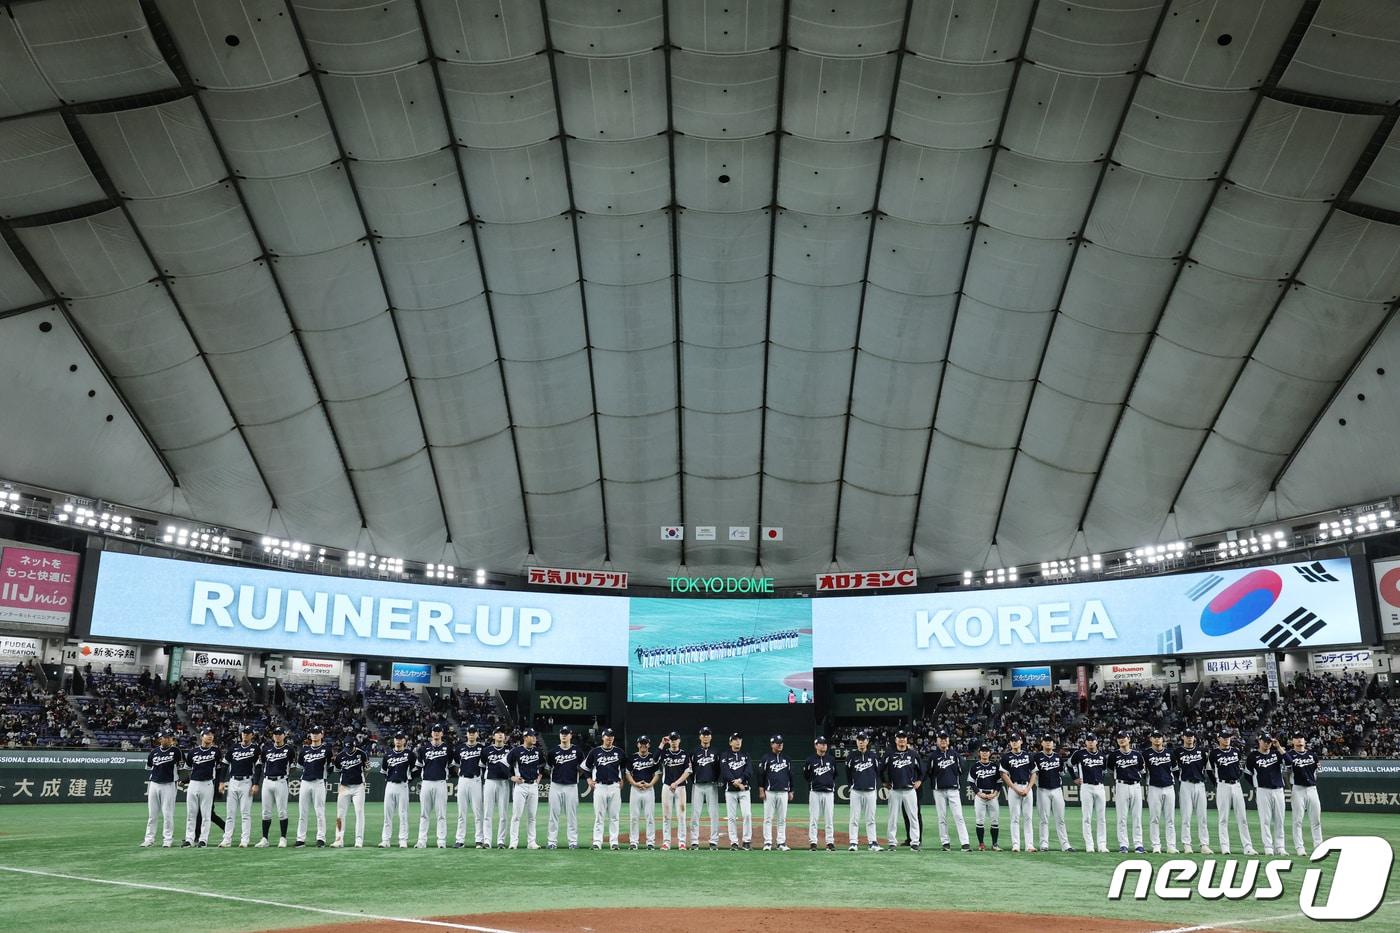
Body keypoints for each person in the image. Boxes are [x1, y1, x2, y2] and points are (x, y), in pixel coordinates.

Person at [1209, 729, 1256, 856]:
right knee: (1223, 818)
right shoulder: (1214, 753)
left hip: (1236, 785)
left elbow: (1239, 767)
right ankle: (1225, 847)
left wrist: (1237, 776)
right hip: (1223, 785)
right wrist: (1216, 783)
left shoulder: (1236, 751)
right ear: (1219, 738)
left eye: (1228, 737)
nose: (1226, 739)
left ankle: (1248, 847)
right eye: (1224, 737)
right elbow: (1209, 770)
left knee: (1242, 818)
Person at [882, 729, 923, 851]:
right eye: (899, 737)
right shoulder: (889, 754)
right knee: (893, 817)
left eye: (903, 737)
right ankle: (892, 842)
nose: (901, 739)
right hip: (895, 790)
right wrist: (884, 781)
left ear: (906, 740)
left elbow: (922, 770)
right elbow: (880, 769)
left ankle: (915, 842)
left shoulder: (913, 754)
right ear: (895, 740)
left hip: (910, 790)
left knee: (913, 816)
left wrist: (919, 780)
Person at [584, 727, 624, 849]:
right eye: (607, 738)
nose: (610, 740)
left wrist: (622, 779)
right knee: (599, 816)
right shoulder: (595, 752)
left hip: (614, 786)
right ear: (603, 738)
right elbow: (585, 767)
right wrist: (589, 780)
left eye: (611, 738)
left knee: (614, 816)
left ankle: (614, 842)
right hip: (600, 786)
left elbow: (624, 768)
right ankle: (597, 842)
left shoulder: (619, 752)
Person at [219, 724, 260, 848]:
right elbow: (225, 765)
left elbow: (258, 767)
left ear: (252, 735)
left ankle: (245, 840)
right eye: (243, 733)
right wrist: (221, 782)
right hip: (233, 782)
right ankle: (227, 839)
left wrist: (256, 783)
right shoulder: (234, 748)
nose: (245, 735)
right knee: (230, 813)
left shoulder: (255, 749)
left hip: (246, 782)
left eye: (247, 733)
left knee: (245, 813)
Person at [1247, 733, 1287, 856]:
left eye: (1269, 741)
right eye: (1265, 741)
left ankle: (1280, 847)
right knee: (1265, 820)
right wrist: (1256, 785)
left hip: (1278, 790)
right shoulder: (1253, 756)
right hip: (1263, 790)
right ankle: (1268, 847)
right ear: (1259, 741)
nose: (1267, 743)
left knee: (1279, 820)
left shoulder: (1276, 754)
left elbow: (1289, 762)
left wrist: (1279, 747)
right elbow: (1247, 773)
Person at [1031, 735, 1072, 852]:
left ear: (1053, 744)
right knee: (1044, 819)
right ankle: (1044, 844)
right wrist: (1037, 785)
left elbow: (1061, 773)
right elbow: (1034, 774)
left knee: (1060, 819)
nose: (1048, 743)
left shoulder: (1057, 757)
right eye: (1046, 741)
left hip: (1057, 790)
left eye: (1050, 741)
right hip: (1043, 790)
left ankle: (1065, 845)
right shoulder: (1037, 757)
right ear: (1042, 743)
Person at [141, 729, 181, 848]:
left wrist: (181, 779)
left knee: (168, 814)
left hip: (169, 784)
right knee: (152, 814)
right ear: (160, 739)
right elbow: (148, 767)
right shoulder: (154, 752)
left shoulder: (176, 751)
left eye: (170, 737)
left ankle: (168, 839)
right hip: (154, 784)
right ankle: (149, 839)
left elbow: (182, 767)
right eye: (166, 737)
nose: (168, 739)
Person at [415, 723, 452, 849]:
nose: (436, 733)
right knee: (424, 814)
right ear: (431, 733)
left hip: (441, 782)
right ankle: (421, 841)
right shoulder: (423, 749)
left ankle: (441, 841)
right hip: (426, 782)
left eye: (438, 731)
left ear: (442, 733)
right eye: (434, 731)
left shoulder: (447, 748)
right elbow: (418, 766)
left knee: (441, 814)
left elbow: (452, 767)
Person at [1107, 731, 1145, 854]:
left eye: (1124, 737)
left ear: (1129, 739)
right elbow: (1110, 771)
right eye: (1119, 738)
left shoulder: (1137, 755)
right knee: (1122, 817)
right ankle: (1123, 845)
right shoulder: (1113, 755)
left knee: (1137, 817)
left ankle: (1138, 844)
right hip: (1121, 785)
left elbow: (1142, 771)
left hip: (1135, 786)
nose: (1122, 740)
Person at [1286, 732, 1323, 856]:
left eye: (1301, 738)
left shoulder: (1312, 755)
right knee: (1297, 820)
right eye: (1296, 738)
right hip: (1298, 789)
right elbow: (1287, 772)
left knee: (1316, 820)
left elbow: (1318, 771)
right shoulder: (1289, 755)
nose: (1299, 740)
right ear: (1293, 741)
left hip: (1312, 789)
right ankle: (1299, 848)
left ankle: (1319, 846)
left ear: (1304, 741)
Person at [255, 725, 292, 847]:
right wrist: (256, 782)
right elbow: (260, 765)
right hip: (267, 781)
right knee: (265, 812)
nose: (277, 736)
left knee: (282, 811)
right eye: (275, 734)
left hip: (281, 781)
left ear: (284, 735)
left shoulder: (289, 749)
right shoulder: (267, 749)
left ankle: (283, 838)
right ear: (273, 736)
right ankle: (264, 839)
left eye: (280, 734)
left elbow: (292, 766)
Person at [547, 725, 583, 849]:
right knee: (553, 815)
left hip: (571, 786)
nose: (564, 735)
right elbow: (548, 768)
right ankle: (552, 842)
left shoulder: (577, 751)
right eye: (562, 733)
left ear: (570, 735)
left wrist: (577, 774)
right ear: (559, 735)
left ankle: (572, 841)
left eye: (566, 733)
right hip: (556, 785)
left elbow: (583, 767)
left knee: (571, 816)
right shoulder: (553, 752)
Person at [182, 728, 220, 847]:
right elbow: (187, 768)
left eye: (211, 734)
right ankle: (189, 839)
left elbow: (219, 768)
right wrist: (188, 779)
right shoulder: (193, 752)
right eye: (207, 734)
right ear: (201, 737)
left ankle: (203, 840)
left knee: (206, 814)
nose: (210, 736)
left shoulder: (216, 751)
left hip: (208, 783)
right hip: (193, 783)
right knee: (191, 813)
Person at [1070, 734, 1108, 853]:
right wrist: (1074, 777)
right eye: (1089, 740)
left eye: (1093, 740)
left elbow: (1104, 770)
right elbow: (1069, 764)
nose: (1091, 742)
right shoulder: (1079, 754)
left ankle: (1102, 845)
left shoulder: (1102, 755)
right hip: (1086, 786)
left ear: (1097, 742)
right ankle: (1089, 845)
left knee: (1101, 818)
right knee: (1087, 817)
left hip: (1100, 787)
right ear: (1085, 742)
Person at [507, 728, 544, 849]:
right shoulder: (516, 751)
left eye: (534, 736)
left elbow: (542, 765)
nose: (534, 738)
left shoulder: (538, 751)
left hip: (533, 785)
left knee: (532, 816)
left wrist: (539, 776)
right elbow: (504, 765)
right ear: (525, 737)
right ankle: (513, 842)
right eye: (531, 736)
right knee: (516, 816)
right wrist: (511, 777)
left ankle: (531, 842)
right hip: (520, 785)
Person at [1176, 729, 1211, 854]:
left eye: (1191, 736)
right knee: (1186, 816)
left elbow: (1207, 768)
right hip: (1186, 784)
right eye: (1187, 736)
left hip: (1200, 785)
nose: (1189, 738)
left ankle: (1204, 845)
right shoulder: (1178, 752)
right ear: (1183, 737)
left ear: (1194, 738)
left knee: (1203, 817)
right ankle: (1187, 844)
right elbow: (1175, 769)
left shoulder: (1202, 751)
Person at [999, 733, 1035, 853]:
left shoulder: (1028, 755)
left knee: (1028, 817)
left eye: (1016, 740)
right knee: (1014, 817)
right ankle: (1016, 845)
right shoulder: (1006, 757)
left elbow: (1034, 773)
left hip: (1026, 787)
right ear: (1010, 743)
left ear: (1021, 742)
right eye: (1012, 740)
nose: (1014, 742)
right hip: (1014, 788)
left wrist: (1028, 788)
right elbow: (1003, 774)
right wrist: (1015, 788)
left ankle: (1029, 845)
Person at [1144, 730, 1178, 854]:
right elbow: (1143, 772)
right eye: (1155, 737)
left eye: (1159, 737)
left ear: (1163, 739)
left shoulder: (1170, 753)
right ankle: (1156, 846)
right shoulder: (1146, 754)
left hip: (1169, 787)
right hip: (1154, 788)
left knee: (1170, 819)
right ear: (1151, 739)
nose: (1157, 739)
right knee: (1154, 818)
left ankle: (1171, 846)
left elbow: (1175, 769)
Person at [688, 726, 722, 850]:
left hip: (711, 786)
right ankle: (694, 841)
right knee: (695, 814)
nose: (706, 736)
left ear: (711, 736)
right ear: (700, 736)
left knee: (714, 814)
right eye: (704, 734)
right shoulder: (694, 752)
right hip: (697, 786)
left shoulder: (716, 752)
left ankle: (713, 841)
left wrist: (716, 781)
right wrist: (695, 781)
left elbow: (719, 769)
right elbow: (690, 770)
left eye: (708, 734)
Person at [757, 734, 793, 851]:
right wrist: (761, 789)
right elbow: (761, 775)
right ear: (772, 744)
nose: (780, 744)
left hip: (783, 792)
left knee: (782, 819)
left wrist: (791, 790)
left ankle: (781, 842)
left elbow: (790, 775)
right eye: (777, 743)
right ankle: (767, 842)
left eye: (781, 743)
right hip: (770, 791)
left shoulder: (787, 759)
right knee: (768, 818)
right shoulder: (766, 758)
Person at [295, 725, 329, 848]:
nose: (315, 735)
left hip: (319, 782)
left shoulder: (326, 750)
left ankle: (321, 838)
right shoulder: (304, 750)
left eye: (317, 733)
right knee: (302, 812)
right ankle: (300, 839)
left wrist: (324, 777)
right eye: (313, 733)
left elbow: (330, 767)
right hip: (305, 782)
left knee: (320, 812)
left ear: (322, 734)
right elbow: (300, 767)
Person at [846, 730, 881, 851]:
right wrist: (851, 785)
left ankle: (873, 842)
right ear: (856, 742)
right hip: (856, 791)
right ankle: (853, 842)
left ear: (867, 742)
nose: (861, 742)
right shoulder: (851, 756)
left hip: (871, 791)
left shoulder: (873, 756)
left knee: (871, 818)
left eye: (863, 740)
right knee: (854, 818)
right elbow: (848, 772)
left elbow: (878, 772)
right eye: (859, 740)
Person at [331, 738, 368, 847]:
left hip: (358, 787)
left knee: (359, 813)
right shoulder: (340, 756)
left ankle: (359, 840)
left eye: (350, 747)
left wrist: (363, 779)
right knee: (340, 814)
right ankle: (339, 839)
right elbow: (338, 770)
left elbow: (367, 768)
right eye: (346, 747)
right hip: (344, 787)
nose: (348, 750)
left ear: (354, 745)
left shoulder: (361, 754)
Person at [453, 724, 485, 848]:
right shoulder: (460, 748)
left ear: (477, 734)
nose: (471, 734)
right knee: (462, 812)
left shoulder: (482, 749)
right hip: (463, 780)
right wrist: (460, 774)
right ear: (466, 734)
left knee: (478, 812)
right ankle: (460, 840)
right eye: (470, 732)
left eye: (474, 732)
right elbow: (455, 764)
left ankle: (479, 840)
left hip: (476, 780)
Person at [719, 731, 753, 850]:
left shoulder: (746, 755)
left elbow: (749, 771)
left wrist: (740, 780)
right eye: (735, 739)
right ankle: (734, 842)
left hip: (744, 790)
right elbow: (725, 771)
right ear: (730, 742)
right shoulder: (725, 755)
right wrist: (737, 783)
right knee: (731, 817)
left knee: (747, 815)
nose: (738, 741)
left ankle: (747, 840)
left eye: (739, 739)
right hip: (730, 791)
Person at [626, 735, 660, 850]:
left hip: (649, 789)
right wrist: (634, 783)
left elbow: (657, 774)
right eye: (641, 743)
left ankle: (650, 842)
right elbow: (628, 773)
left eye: (645, 743)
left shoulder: (653, 758)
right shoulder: (632, 757)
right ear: (638, 744)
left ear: (649, 745)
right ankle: (633, 842)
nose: (643, 745)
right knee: (634, 817)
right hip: (635, 790)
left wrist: (650, 784)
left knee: (649, 817)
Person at [379, 731, 413, 848]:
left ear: (404, 741)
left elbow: (415, 770)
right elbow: (383, 772)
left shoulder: (410, 754)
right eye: (396, 739)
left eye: (400, 739)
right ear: (394, 741)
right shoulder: (388, 755)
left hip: (403, 785)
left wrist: (408, 779)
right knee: (387, 814)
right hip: (390, 785)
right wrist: (389, 780)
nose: (398, 741)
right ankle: (385, 840)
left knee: (403, 814)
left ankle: (403, 839)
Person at [804, 735, 838, 851]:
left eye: (825, 743)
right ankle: (813, 842)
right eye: (821, 743)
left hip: (829, 792)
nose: (824, 745)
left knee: (829, 818)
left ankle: (830, 842)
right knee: (814, 818)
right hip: (815, 792)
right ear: (816, 745)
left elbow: (834, 774)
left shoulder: (831, 759)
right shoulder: (810, 760)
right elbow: (807, 776)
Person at [659, 731, 691, 850]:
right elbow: (655, 759)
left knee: (681, 815)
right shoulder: (665, 753)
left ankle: (681, 842)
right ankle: (666, 842)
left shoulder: (684, 754)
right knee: (666, 815)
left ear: (679, 740)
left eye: (675, 739)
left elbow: (688, 771)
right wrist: (662, 744)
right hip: (667, 787)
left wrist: (676, 783)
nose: (673, 741)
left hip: (681, 787)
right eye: (671, 739)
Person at [482, 727, 513, 848]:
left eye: (502, 733)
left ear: (505, 737)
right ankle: (487, 841)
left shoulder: (510, 750)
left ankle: (501, 841)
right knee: (487, 813)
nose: (500, 735)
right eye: (497, 733)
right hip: (490, 781)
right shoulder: (486, 750)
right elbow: (483, 765)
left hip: (504, 783)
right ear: (493, 736)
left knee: (503, 814)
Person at [968, 744, 1001, 851]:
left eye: (986, 751)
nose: (985, 753)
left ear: (989, 753)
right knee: (980, 821)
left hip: (992, 795)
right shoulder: (975, 766)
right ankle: (981, 844)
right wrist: (978, 793)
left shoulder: (995, 766)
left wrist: (995, 793)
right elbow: (971, 782)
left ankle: (995, 844)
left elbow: (999, 782)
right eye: (982, 751)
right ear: (979, 753)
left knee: (995, 821)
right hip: (980, 795)